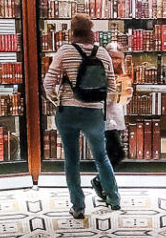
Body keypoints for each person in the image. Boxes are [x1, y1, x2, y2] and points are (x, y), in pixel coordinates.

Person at [43, 14, 122, 219]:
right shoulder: (103, 53)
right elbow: (112, 87)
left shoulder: (65, 51)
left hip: (68, 111)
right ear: (91, 31)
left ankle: (78, 206)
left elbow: (48, 83)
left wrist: (56, 100)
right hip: (94, 112)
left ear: (72, 31)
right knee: (101, 156)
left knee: (71, 158)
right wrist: (101, 105)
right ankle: (113, 199)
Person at [91, 45, 132, 202]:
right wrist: (112, 94)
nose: (115, 61)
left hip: (114, 118)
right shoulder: (98, 72)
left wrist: (126, 94)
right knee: (115, 154)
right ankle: (104, 185)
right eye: (112, 57)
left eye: (118, 58)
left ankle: (103, 184)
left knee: (112, 154)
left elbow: (122, 100)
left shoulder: (120, 74)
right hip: (102, 119)